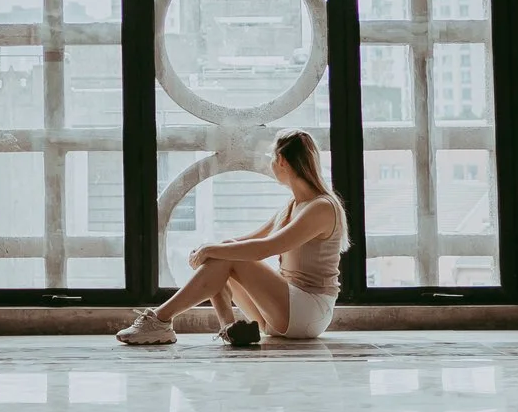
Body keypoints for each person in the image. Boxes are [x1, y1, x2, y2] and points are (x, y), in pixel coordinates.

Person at [115, 129, 348, 347]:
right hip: (286, 314)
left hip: (310, 310)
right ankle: (229, 328)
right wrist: (208, 249)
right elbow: (248, 241)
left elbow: (264, 248)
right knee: (225, 252)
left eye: (271, 157)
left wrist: (212, 250)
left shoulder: (322, 208)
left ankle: (160, 319)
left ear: (282, 161)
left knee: (226, 252)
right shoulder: (294, 205)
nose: (270, 163)